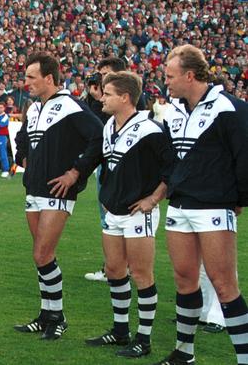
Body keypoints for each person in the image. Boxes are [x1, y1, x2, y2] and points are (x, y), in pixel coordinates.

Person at [156, 44, 248, 365]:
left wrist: (239, 198)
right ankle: (184, 353)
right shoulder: (172, 111)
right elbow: (168, 160)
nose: (166, 82)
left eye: (170, 76)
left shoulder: (229, 107)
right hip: (179, 206)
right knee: (184, 280)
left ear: (190, 75)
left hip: (213, 206)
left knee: (224, 286)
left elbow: (244, 155)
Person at [13, 53, 102, 340]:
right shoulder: (36, 107)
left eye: (31, 77)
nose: (25, 82)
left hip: (57, 191)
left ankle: (58, 317)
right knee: (41, 256)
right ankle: (46, 314)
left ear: (48, 78)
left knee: (42, 253)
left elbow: (99, 137)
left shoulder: (70, 106)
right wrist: (23, 157)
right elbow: (23, 138)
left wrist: (76, 172)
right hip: (34, 189)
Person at [84, 71, 173, 358]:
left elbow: (173, 170)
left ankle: (143, 339)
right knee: (113, 269)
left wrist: (153, 198)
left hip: (138, 212)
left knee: (141, 274)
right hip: (114, 210)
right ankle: (120, 331)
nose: (102, 98)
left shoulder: (151, 129)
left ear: (125, 97)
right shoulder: (109, 125)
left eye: (108, 93)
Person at [84, 57, 147, 282]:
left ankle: (121, 268)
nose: (102, 79)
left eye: (106, 74)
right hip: (107, 165)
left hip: (126, 170)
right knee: (108, 216)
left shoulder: (134, 104)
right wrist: (95, 99)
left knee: (119, 218)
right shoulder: (105, 101)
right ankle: (115, 267)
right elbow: (98, 129)